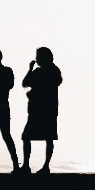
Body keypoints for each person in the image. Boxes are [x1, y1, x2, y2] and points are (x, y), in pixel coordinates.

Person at [20, 47, 62, 175]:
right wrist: (30, 70)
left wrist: (35, 93)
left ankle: (45, 166)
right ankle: (27, 165)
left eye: (38, 56)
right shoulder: (38, 71)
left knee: (48, 138)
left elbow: (51, 84)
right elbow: (25, 83)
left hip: (47, 109)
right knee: (27, 137)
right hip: (36, 109)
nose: (37, 59)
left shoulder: (53, 71)